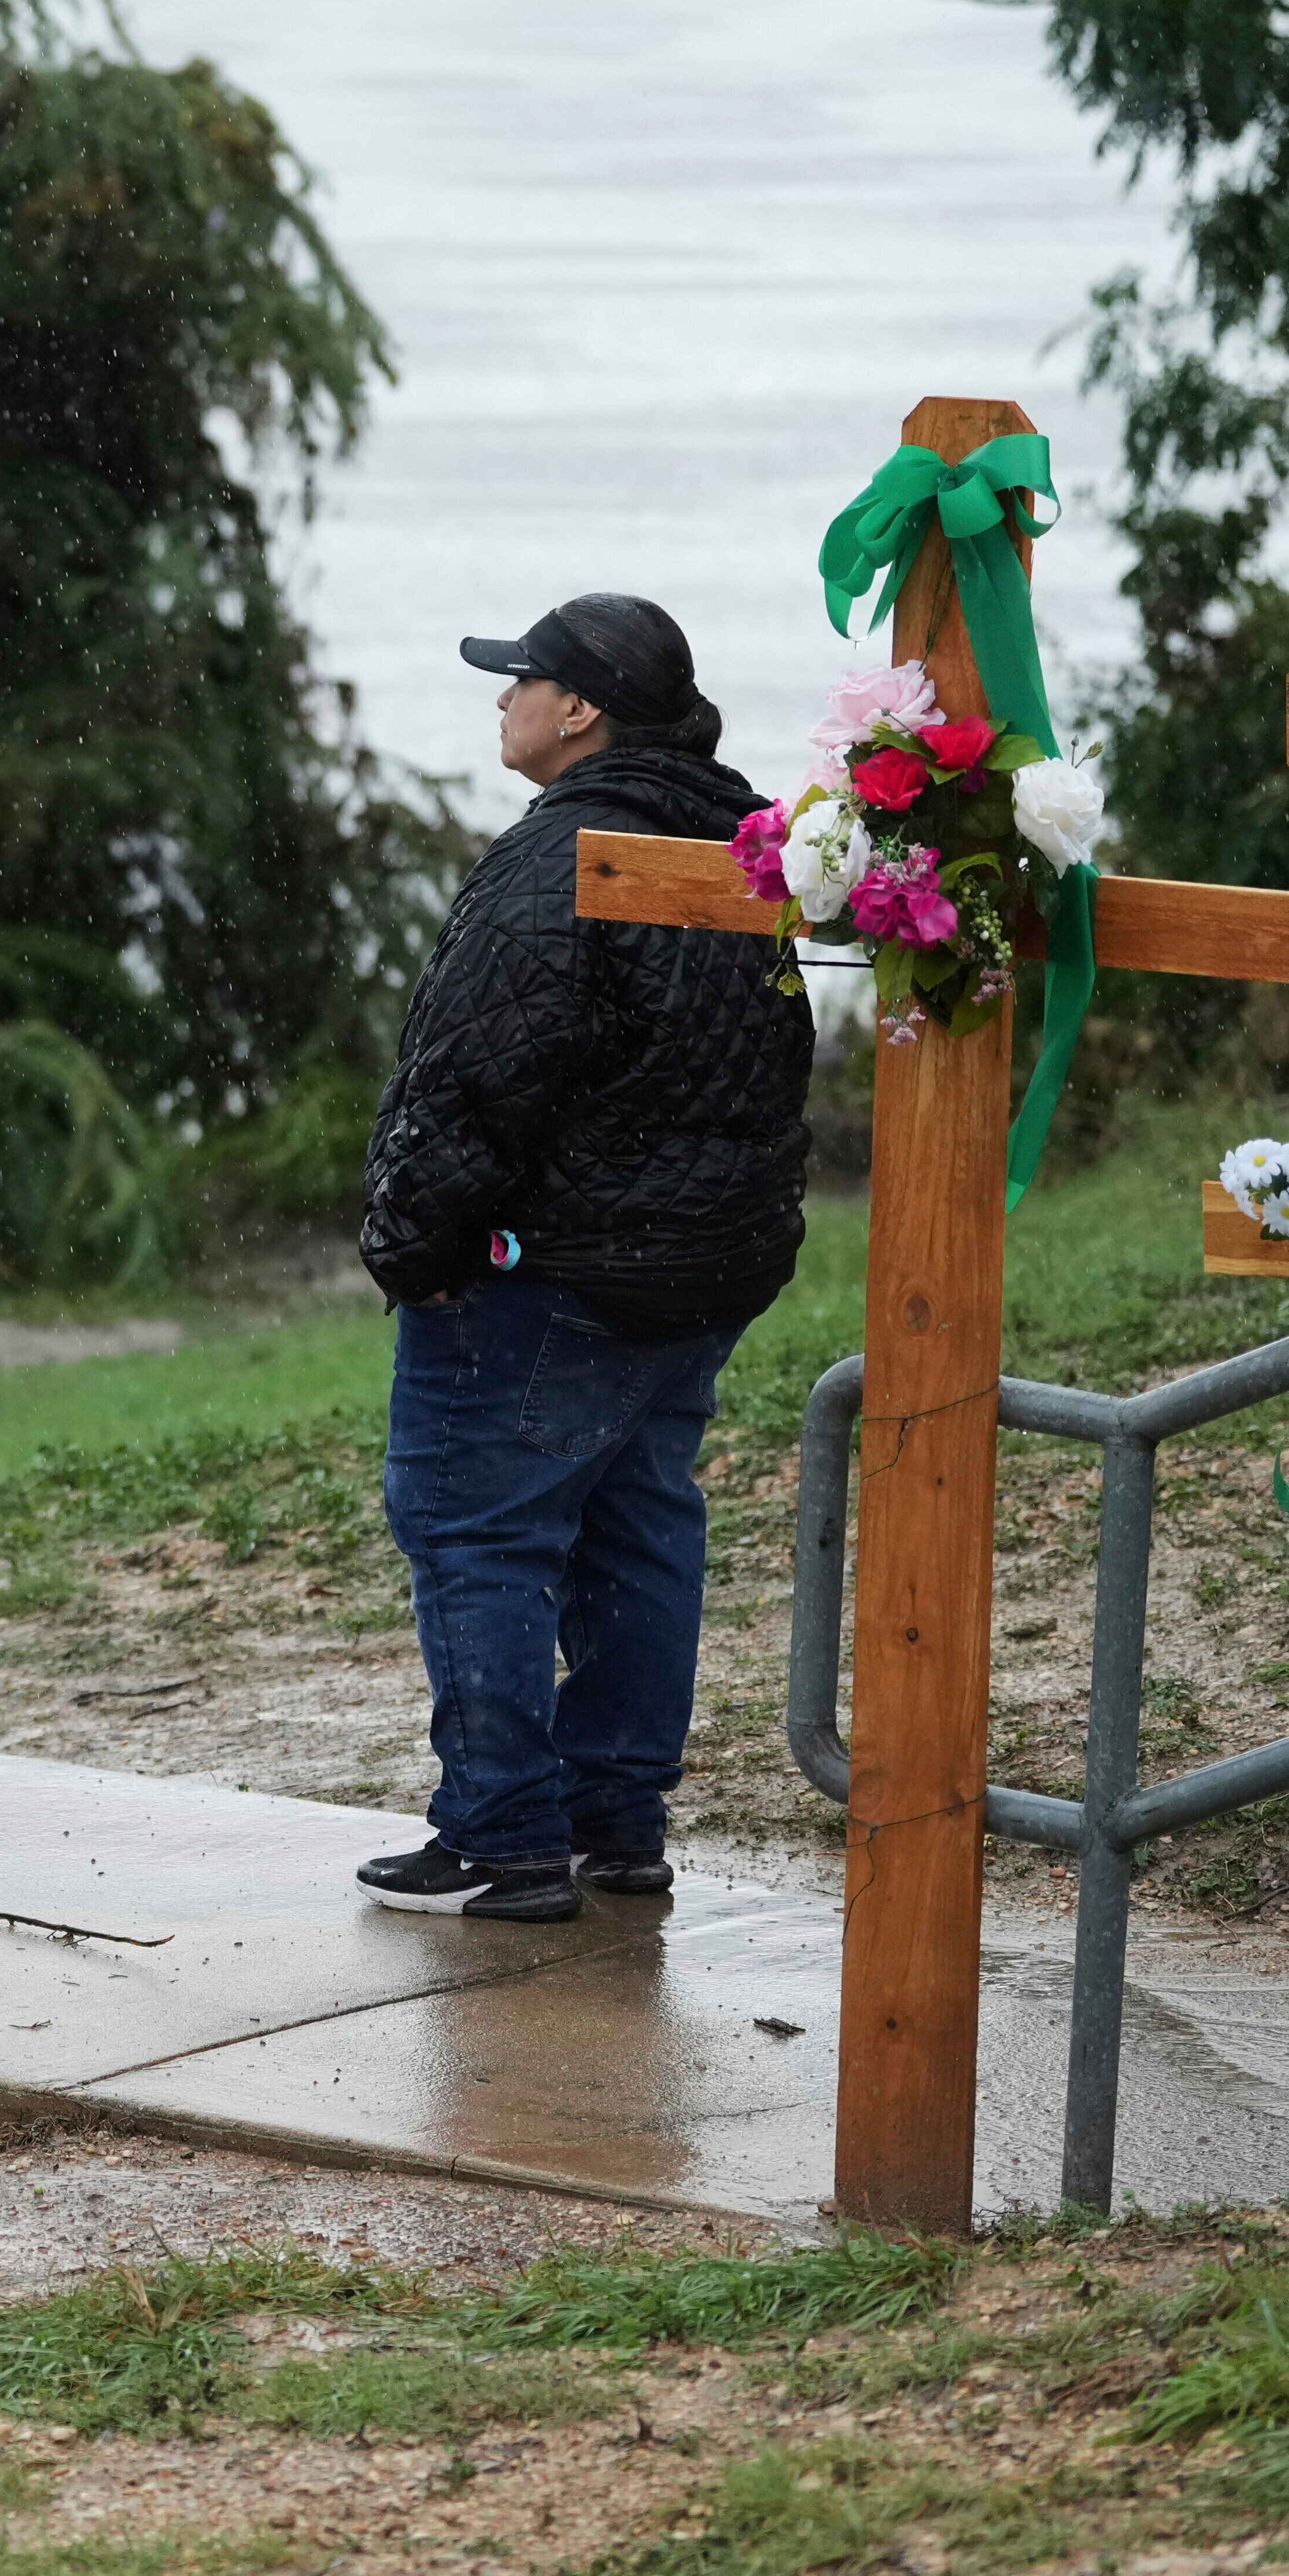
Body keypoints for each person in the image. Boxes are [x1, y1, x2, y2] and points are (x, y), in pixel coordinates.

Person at [350, 594, 811, 1924]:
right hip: (698, 1274)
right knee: (636, 1532)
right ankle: (616, 1824)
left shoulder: (560, 856)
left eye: (519, 682)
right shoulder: (739, 845)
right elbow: (774, 1062)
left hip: (545, 1275)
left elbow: (469, 1076)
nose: (500, 702)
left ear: (579, 710)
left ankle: (501, 1835)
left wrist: (409, 1246)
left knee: (475, 1530)